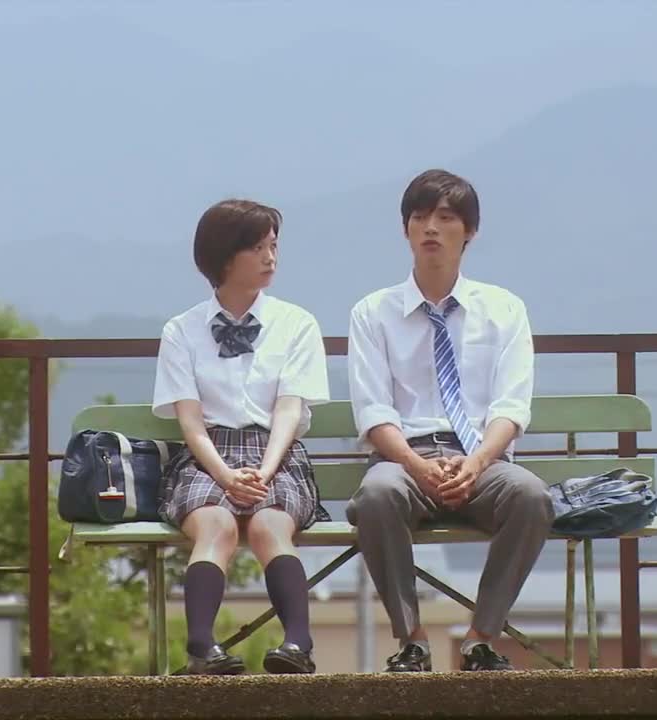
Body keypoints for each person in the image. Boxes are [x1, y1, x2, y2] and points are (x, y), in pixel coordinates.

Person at [346, 169, 554, 672]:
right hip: (405, 458)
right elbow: (374, 410)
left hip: (480, 458)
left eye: (445, 218)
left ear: (470, 231)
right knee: (376, 496)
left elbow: (511, 407)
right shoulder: (373, 312)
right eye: (419, 217)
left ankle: (481, 638)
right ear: (405, 229)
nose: (431, 228)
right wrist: (417, 465)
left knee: (531, 497)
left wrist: (477, 462)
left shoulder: (504, 309)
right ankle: (412, 640)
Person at [153, 199, 330, 675]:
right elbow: (190, 422)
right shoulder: (182, 331)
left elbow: (289, 409)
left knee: (271, 525)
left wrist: (264, 471)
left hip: (276, 451)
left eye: (273, 246)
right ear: (224, 256)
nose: (270, 257)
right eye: (257, 248)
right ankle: (202, 646)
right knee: (217, 526)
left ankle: (298, 644)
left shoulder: (296, 324)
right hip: (206, 454)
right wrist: (226, 475)